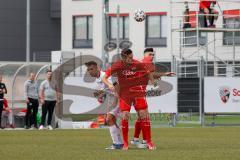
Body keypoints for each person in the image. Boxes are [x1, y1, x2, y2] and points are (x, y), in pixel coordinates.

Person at [102, 48, 156, 150]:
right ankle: (125, 144)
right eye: (130, 58)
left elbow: (148, 71)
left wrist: (153, 82)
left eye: (132, 57)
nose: (132, 59)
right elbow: (104, 77)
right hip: (125, 95)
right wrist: (109, 84)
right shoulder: (117, 65)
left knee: (144, 115)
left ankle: (149, 142)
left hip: (137, 93)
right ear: (124, 58)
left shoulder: (136, 63)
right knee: (125, 116)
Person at [131, 48, 175, 148]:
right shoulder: (147, 62)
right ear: (145, 55)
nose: (152, 56)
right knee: (145, 117)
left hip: (134, 93)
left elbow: (149, 75)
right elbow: (151, 75)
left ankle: (136, 139)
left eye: (153, 55)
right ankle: (148, 142)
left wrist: (156, 77)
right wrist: (164, 74)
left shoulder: (141, 63)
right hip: (137, 93)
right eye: (150, 54)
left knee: (142, 117)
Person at [85, 61, 123, 150]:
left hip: (118, 99)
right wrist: (100, 93)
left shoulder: (104, 76)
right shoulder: (98, 78)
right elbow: (107, 89)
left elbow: (117, 88)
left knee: (109, 119)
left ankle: (117, 144)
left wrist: (115, 102)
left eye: (91, 69)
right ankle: (120, 143)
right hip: (112, 99)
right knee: (112, 121)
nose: (89, 71)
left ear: (97, 68)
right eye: (88, 69)